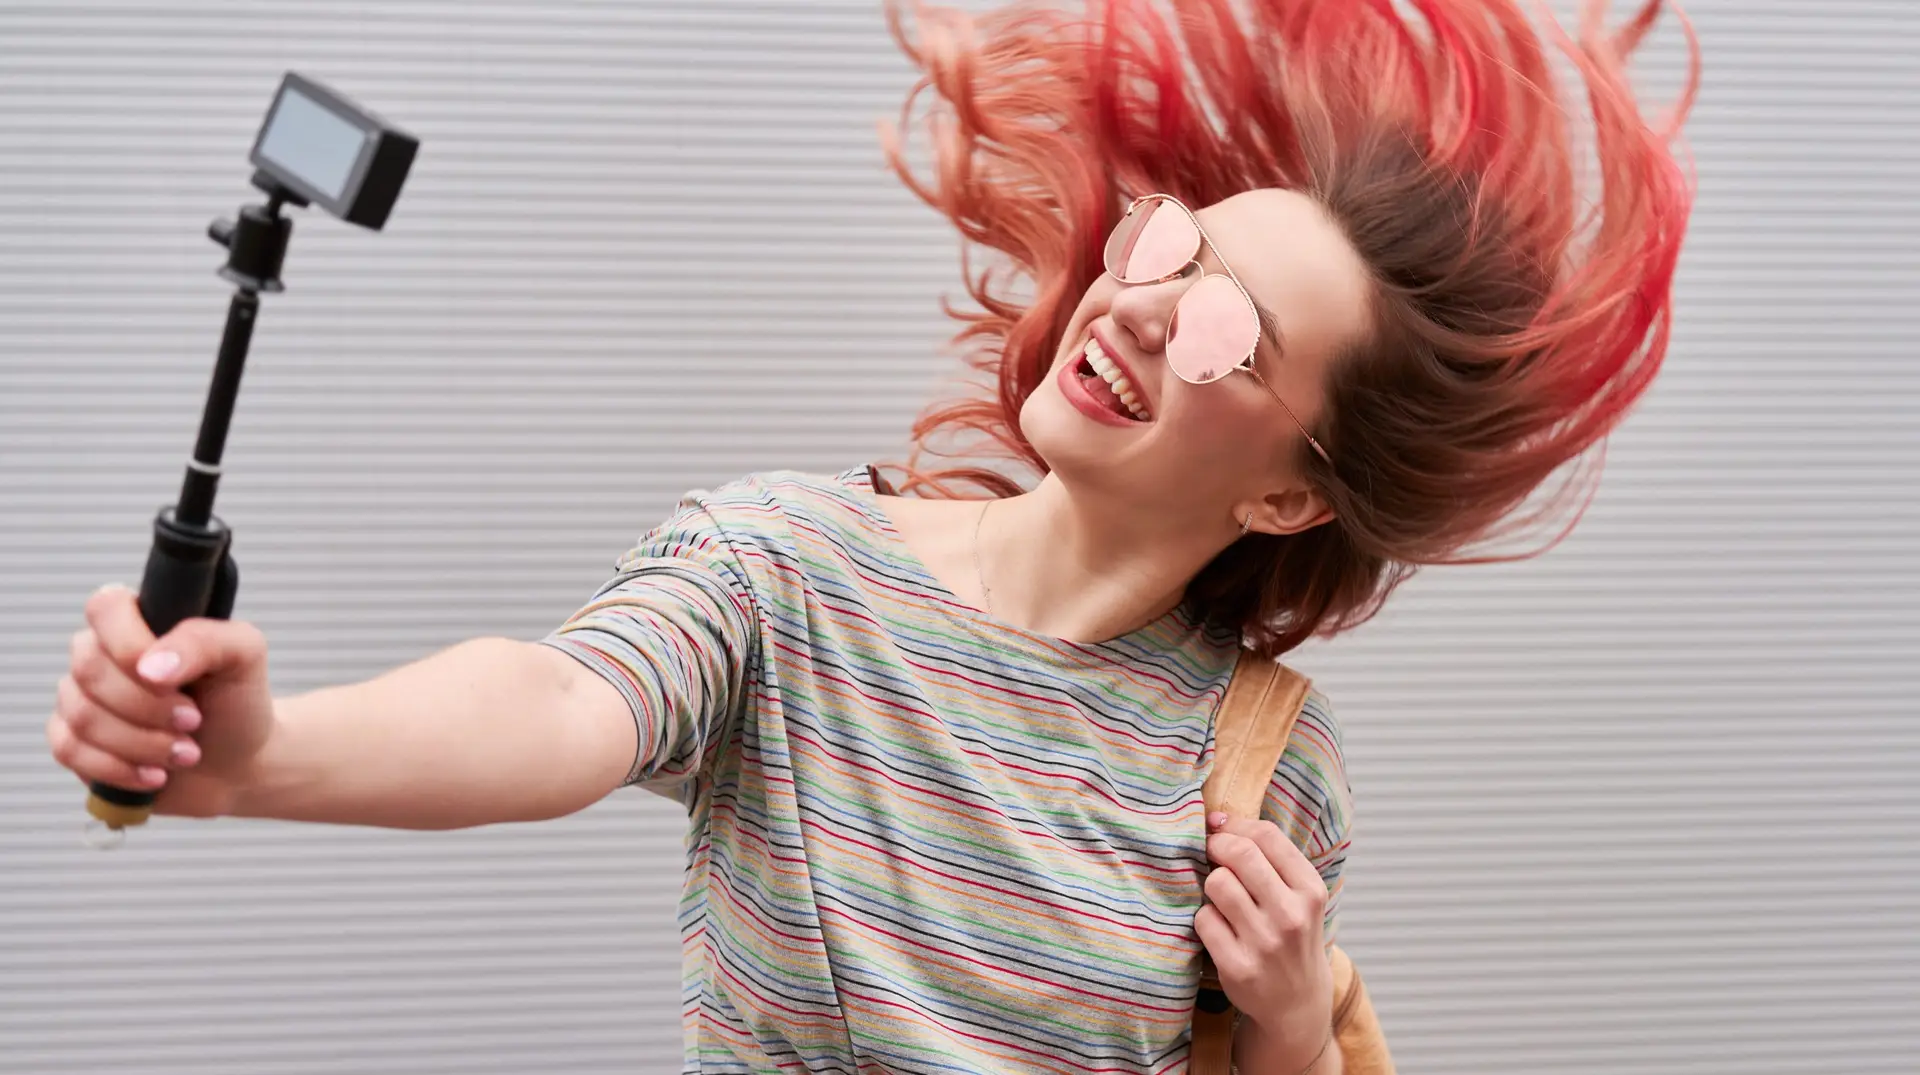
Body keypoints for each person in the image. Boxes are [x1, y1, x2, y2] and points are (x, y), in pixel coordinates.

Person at [45, 0, 1697, 1071]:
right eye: (1172, 245)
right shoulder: (790, 565)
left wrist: (1280, 1012)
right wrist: (260, 753)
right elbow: (556, 705)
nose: (1142, 306)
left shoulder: (1268, 771)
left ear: (1286, 493)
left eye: (1225, 337)